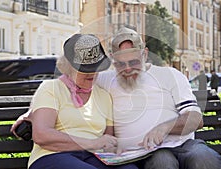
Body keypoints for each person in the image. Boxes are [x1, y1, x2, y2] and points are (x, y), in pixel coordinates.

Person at [96, 27, 221, 169]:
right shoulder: (105, 80)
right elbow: (74, 78)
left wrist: (164, 127)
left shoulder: (170, 75)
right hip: (144, 154)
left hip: (184, 146)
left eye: (133, 62)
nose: (127, 69)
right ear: (112, 58)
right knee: (162, 161)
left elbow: (195, 119)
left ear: (144, 54)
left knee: (204, 158)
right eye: (121, 64)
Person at [11, 33, 138, 169]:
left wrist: (113, 147)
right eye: (85, 68)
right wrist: (93, 143)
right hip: (52, 156)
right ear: (68, 67)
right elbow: (42, 135)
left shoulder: (104, 96)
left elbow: (106, 140)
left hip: (92, 157)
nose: (92, 73)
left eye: (96, 67)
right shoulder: (52, 88)